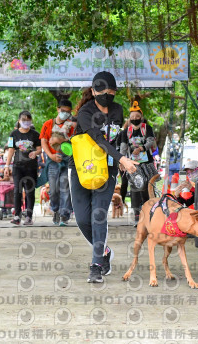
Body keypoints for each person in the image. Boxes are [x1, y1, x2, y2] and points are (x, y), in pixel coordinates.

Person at [69, 71, 139, 283]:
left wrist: (120, 159)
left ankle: (96, 265)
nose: (106, 96)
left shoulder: (117, 110)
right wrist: (122, 158)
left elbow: (116, 138)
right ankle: (104, 251)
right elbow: (98, 139)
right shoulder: (85, 112)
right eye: (102, 92)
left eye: (110, 92)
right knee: (82, 219)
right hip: (82, 167)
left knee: (98, 215)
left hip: (108, 168)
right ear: (93, 91)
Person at [119, 101, 157, 225]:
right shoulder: (126, 132)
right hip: (133, 165)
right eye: (132, 117)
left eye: (137, 117)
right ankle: (137, 215)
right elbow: (123, 147)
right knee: (135, 189)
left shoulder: (147, 128)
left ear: (141, 117)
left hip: (147, 163)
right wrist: (122, 160)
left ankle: (151, 213)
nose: (135, 119)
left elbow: (151, 141)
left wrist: (141, 148)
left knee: (148, 188)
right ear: (129, 119)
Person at [40, 100, 75, 226]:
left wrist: (61, 139)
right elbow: (44, 141)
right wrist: (51, 156)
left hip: (67, 161)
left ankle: (64, 215)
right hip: (53, 160)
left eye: (68, 111)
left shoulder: (71, 125)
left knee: (65, 188)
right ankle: (55, 210)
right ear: (58, 109)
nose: (65, 113)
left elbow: (75, 140)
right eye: (63, 111)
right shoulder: (48, 124)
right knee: (53, 189)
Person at [5, 111, 42, 226]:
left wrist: (35, 152)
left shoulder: (35, 134)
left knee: (30, 192)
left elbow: (40, 148)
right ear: (19, 121)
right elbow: (11, 150)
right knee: (17, 191)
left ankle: (29, 217)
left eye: (28, 120)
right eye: (24, 120)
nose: (26, 122)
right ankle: (17, 216)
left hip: (31, 167)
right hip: (17, 166)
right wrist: (7, 165)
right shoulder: (13, 134)